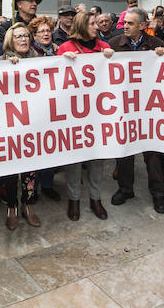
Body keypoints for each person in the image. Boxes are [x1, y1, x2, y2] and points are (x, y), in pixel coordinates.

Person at [108, 7, 164, 213]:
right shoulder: (114, 45)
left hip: (149, 107)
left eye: (130, 23)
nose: (125, 26)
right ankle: (125, 189)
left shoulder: (157, 45)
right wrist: (106, 57)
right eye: (124, 22)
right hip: (125, 106)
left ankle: (158, 193)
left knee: (152, 153)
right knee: (125, 151)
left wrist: (163, 56)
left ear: (143, 26)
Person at [58, 11, 114, 221]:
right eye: (92, 24)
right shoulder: (66, 48)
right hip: (75, 112)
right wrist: (63, 61)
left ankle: (95, 198)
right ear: (82, 25)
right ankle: (74, 199)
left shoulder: (103, 46)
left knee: (97, 158)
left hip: (99, 112)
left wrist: (111, 57)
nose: (97, 27)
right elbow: (54, 79)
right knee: (75, 158)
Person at [0, 23, 43, 230]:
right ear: (10, 41)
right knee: (10, 170)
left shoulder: (41, 61)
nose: (23, 39)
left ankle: (28, 205)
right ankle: (12, 207)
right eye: (18, 37)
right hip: (9, 126)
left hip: (33, 124)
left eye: (26, 36)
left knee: (30, 171)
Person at [27, 15, 62, 200]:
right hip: (33, 110)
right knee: (33, 153)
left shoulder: (58, 52)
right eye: (41, 31)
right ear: (34, 34)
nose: (46, 33)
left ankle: (47, 185)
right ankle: (31, 190)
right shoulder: (29, 52)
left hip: (54, 108)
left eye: (48, 30)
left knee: (50, 149)